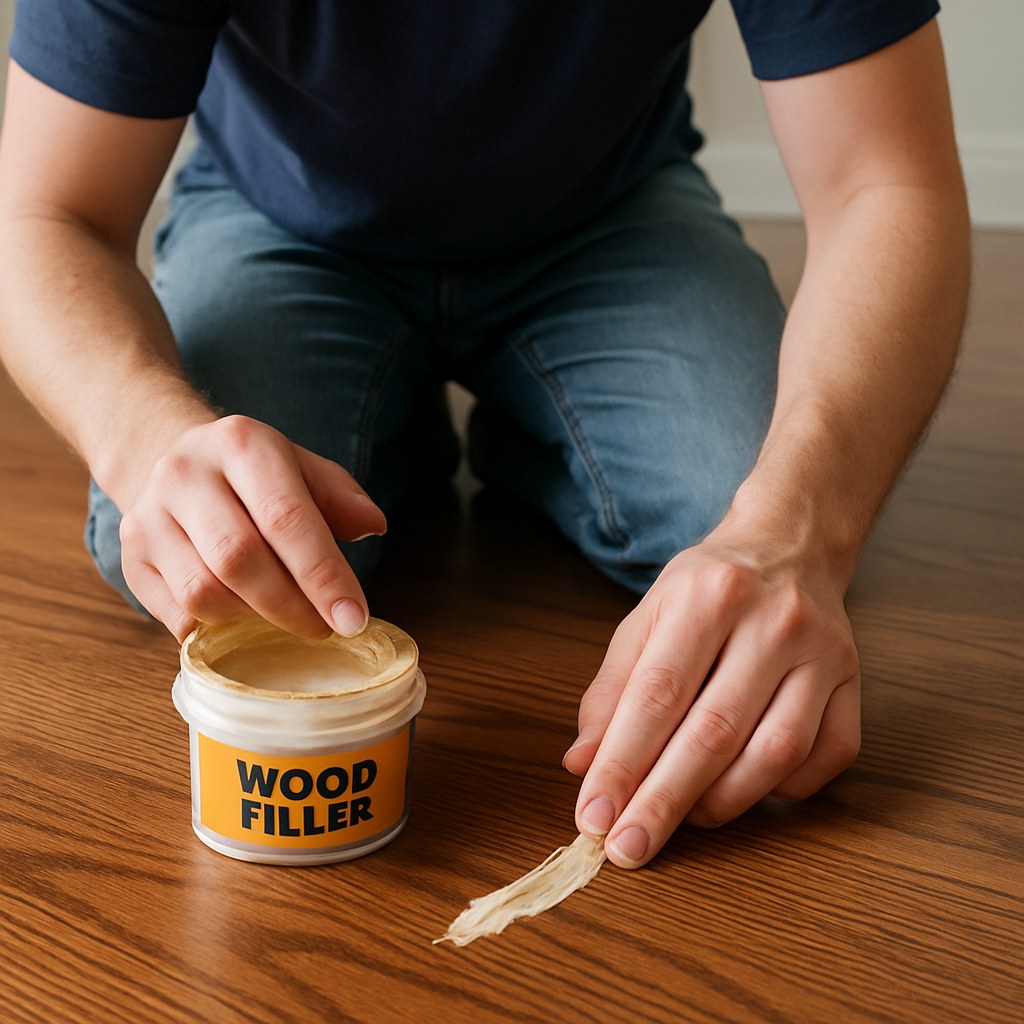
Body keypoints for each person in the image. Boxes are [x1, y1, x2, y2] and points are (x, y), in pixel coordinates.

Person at [0, 1, 969, 870]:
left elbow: (886, 184)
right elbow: (46, 210)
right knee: (195, 551)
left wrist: (798, 534)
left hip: (608, 213)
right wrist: (145, 437)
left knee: (755, 498)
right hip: (278, 219)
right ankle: (416, 433)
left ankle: (495, 434)